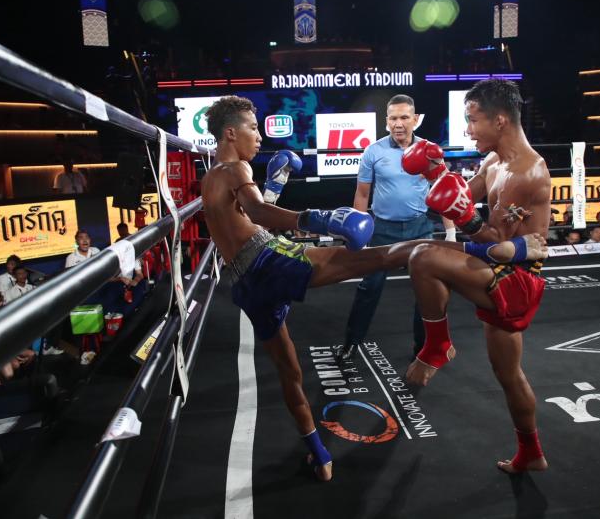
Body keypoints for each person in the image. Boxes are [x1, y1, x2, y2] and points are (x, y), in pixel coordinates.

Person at [200, 95, 546, 482]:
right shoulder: (237, 167)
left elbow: (243, 220)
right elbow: (257, 214)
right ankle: (451, 317)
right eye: (252, 127)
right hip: (270, 262)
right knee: (400, 255)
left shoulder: (210, 177)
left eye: (472, 120)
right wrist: (320, 218)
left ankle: (318, 453)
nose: (260, 135)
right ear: (230, 133)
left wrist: (274, 188)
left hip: (245, 283)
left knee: (288, 370)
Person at [404, 79, 551, 474]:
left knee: (422, 256)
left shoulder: (526, 173)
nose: (468, 130)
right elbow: (460, 200)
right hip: (497, 271)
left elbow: (495, 241)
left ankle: (438, 345)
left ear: (499, 120)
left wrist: (467, 220)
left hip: (515, 280)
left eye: (472, 120)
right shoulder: (494, 162)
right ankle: (531, 453)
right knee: (508, 375)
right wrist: (435, 174)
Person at [336, 94, 454, 362]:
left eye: (404, 117)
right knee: (369, 287)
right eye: (393, 118)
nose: (398, 123)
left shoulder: (430, 151)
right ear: (386, 121)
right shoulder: (373, 151)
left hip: (420, 229)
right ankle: (351, 343)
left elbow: (445, 191)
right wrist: (358, 234)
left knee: (427, 292)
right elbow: (362, 194)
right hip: (382, 230)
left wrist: (450, 233)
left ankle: (423, 349)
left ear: (415, 119)